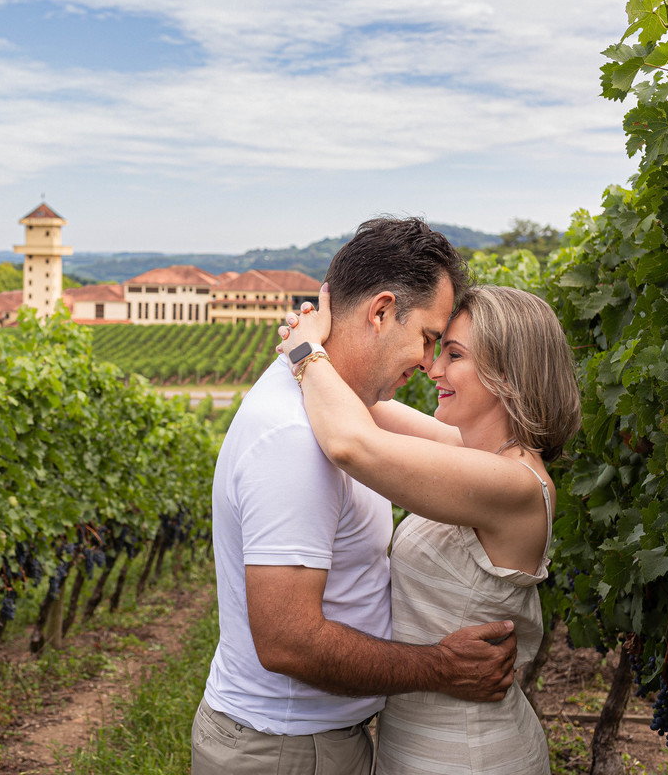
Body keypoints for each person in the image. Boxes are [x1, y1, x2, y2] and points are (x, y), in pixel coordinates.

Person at [191, 218, 519, 775]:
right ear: (382, 311)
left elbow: (468, 448)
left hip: (307, 743)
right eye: (427, 338)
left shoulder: (339, 407)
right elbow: (288, 642)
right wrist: (440, 667)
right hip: (284, 751)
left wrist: (306, 354)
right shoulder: (296, 439)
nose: (428, 362)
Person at [275, 282, 581, 773]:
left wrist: (307, 353)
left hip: (470, 754)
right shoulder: (476, 456)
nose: (433, 368)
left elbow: (352, 443)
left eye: (454, 355)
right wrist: (329, 343)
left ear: (507, 375)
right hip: (420, 742)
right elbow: (365, 404)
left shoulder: (516, 484)